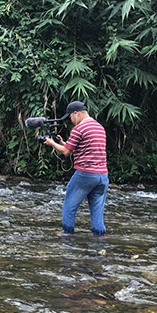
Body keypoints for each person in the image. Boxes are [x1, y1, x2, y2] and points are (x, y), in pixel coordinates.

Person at [44, 100, 108, 236]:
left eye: (71, 117)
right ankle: (100, 239)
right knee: (97, 210)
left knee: (69, 205)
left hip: (86, 174)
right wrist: (62, 142)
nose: (71, 121)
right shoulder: (99, 127)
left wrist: (51, 143)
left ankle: (67, 235)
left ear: (76, 113)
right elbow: (83, 148)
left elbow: (67, 152)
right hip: (102, 176)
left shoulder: (79, 128)